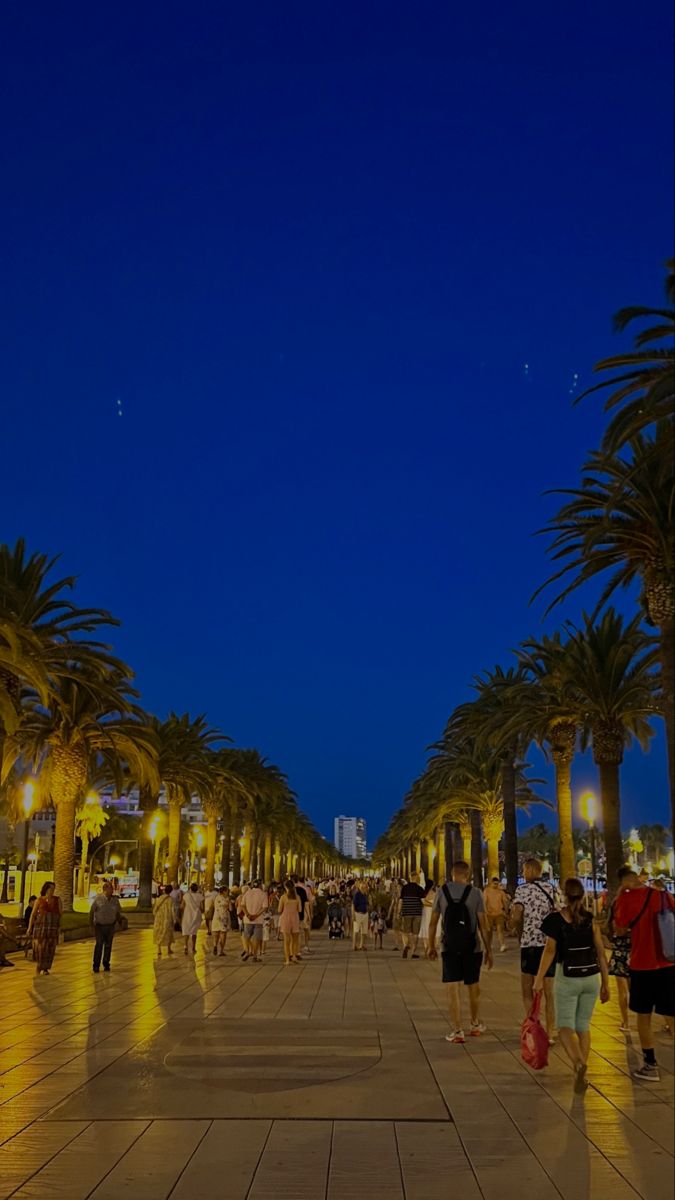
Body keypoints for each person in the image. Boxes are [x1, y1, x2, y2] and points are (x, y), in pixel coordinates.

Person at [534, 877, 610, 1092]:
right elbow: (601, 954)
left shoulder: (556, 920)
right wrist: (606, 983)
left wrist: (539, 979)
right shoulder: (590, 920)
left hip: (568, 979)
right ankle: (581, 1072)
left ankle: (578, 1063)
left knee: (565, 1027)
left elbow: (549, 951)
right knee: (583, 1026)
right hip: (591, 979)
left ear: (564, 895)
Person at [614, 869, 675, 1081]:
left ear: (624, 882)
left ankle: (650, 1065)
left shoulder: (628, 898)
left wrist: (622, 895)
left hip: (642, 964)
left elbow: (620, 929)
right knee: (671, 1013)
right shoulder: (664, 895)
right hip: (668, 962)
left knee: (643, 1015)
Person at [428, 861, 493, 1042]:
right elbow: (484, 925)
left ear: (452, 873)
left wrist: (430, 946)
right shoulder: (476, 893)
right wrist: (489, 950)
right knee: (473, 986)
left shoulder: (442, 892)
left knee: (452, 987)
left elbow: (433, 922)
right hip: (472, 947)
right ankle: (474, 1024)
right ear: (468, 874)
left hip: (449, 946)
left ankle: (457, 1031)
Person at [511, 858, 557, 1042]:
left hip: (529, 944)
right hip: (548, 945)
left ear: (530, 870)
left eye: (524, 870)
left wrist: (513, 923)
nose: (523, 873)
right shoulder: (551, 889)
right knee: (549, 992)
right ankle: (551, 1033)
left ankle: (534, 1027)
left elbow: (517, 914)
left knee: (527, 989)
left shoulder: (522, 890)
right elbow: (558, 912)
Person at [606, 866, 639, 1032]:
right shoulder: (640, 899)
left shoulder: (617, 901)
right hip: (637, 948)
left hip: (620, 948)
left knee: (622, 990)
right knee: (639, 989)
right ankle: (657, 1021)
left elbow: (610, 925)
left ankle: (625, 1022)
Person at [90, 881, 123, 973]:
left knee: (108, 945)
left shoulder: (115, 900)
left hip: (110, 926)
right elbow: (92, 912)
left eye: (112, 889)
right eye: (110, 888)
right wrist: (91, 925)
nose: (112, 890)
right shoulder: (98, 899)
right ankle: (96, 965)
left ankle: (106, 963)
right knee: (99, 944)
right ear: (105, 889)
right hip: (99, 926)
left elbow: (117, 913)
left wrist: (120, 923)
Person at [399, 872, 426, 959]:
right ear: (417, 879)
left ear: (410, 878)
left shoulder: (405, 888)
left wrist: (398, 912)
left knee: (405, 932)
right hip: (417, 913)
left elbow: (401, 901)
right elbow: (423, 901)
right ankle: (413, 952)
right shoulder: (420, 888)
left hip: (406, 912)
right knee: (415, 933)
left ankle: (406, 945)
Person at [242, 879, 268, 963]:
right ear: (260, 885)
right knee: (256, 938)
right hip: (258, 920)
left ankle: (247, 950)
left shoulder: (247, 893)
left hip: (247, 919)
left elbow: (242, 905)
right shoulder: (263, 894)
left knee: (246, 936)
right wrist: (256, 915)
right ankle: (255, 956)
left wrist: (248, 914)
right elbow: (264, 907)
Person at [278, 879, 302, 964]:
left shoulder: (283, 897)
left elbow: (279, 910)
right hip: (295, 918)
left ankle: (287, 960)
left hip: (285, 918)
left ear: (285, 887)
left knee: (286, 941)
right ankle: (294, 956)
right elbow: (300, 910)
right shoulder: (297, 897)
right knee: (295, 940)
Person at [483, 877, 509, 952]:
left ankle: (502, 944)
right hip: (489, 913)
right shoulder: (486, 891)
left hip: (499, 913)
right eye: (494, 884)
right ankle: (488, 945)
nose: (496, 885)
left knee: (500, 929)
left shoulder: (501, 892)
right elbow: (484, 902)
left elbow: (505, 902)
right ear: (491, 883)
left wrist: (506, 911)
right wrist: (485, 911)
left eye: (497, 884)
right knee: (489, 931)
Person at [180, 882, 204, 955]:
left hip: (187, 915)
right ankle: (193, 947)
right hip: (196, 916)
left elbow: (182, 906)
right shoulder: (200, 896)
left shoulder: (186, 895)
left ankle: (185, 946)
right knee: (194, 932)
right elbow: (202, 907)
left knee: (186, 931)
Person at [153, 884, 175, 958]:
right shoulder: (170, 899)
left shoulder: (159, 898)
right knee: (168, 933)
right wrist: (174, 919)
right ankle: (168, 948)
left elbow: (155, 909)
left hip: (159, 918)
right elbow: (172, 910)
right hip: (167, 918)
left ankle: (159, 949)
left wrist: (155, 915)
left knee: (158, 932)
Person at [211, 886, 231, 956]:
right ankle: (221, 950)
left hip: (216, 916)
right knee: (223, 934)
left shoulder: (216, 897)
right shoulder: (227, 899)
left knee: (216, 932)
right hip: (224, 917)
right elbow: (230, 909)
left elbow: (214, 906)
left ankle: (215, 945)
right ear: (224, 891)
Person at [352, 880, 369, 950]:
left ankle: (362, 945)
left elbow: (367, 904)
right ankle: (354, 945)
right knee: (356, 931)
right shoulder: (357, 894)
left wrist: (368, 911)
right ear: (359, 886)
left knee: (364, 931)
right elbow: (353, 905)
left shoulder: (365, 894)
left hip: (365, 914)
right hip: (358, 913)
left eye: (365, 886)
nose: (364, 888)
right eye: (362, 886)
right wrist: (353, 915)